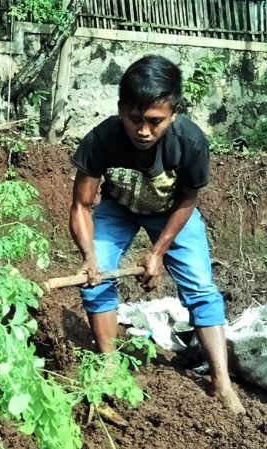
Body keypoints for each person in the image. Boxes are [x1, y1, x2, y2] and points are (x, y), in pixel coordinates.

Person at [69, 54, 245, 414]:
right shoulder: (101, 140)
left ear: (173, 113)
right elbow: (81, 206)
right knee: (96, 277)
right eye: (135, 120)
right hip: (119, 208)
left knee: (201, 288)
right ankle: (109, 366)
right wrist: (89, 257)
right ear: (121, 110)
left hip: (171, 212)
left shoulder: (190, 142)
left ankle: (222, 384)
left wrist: (159, 250)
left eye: (155, 121)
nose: (144, 131)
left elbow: (188, 199)